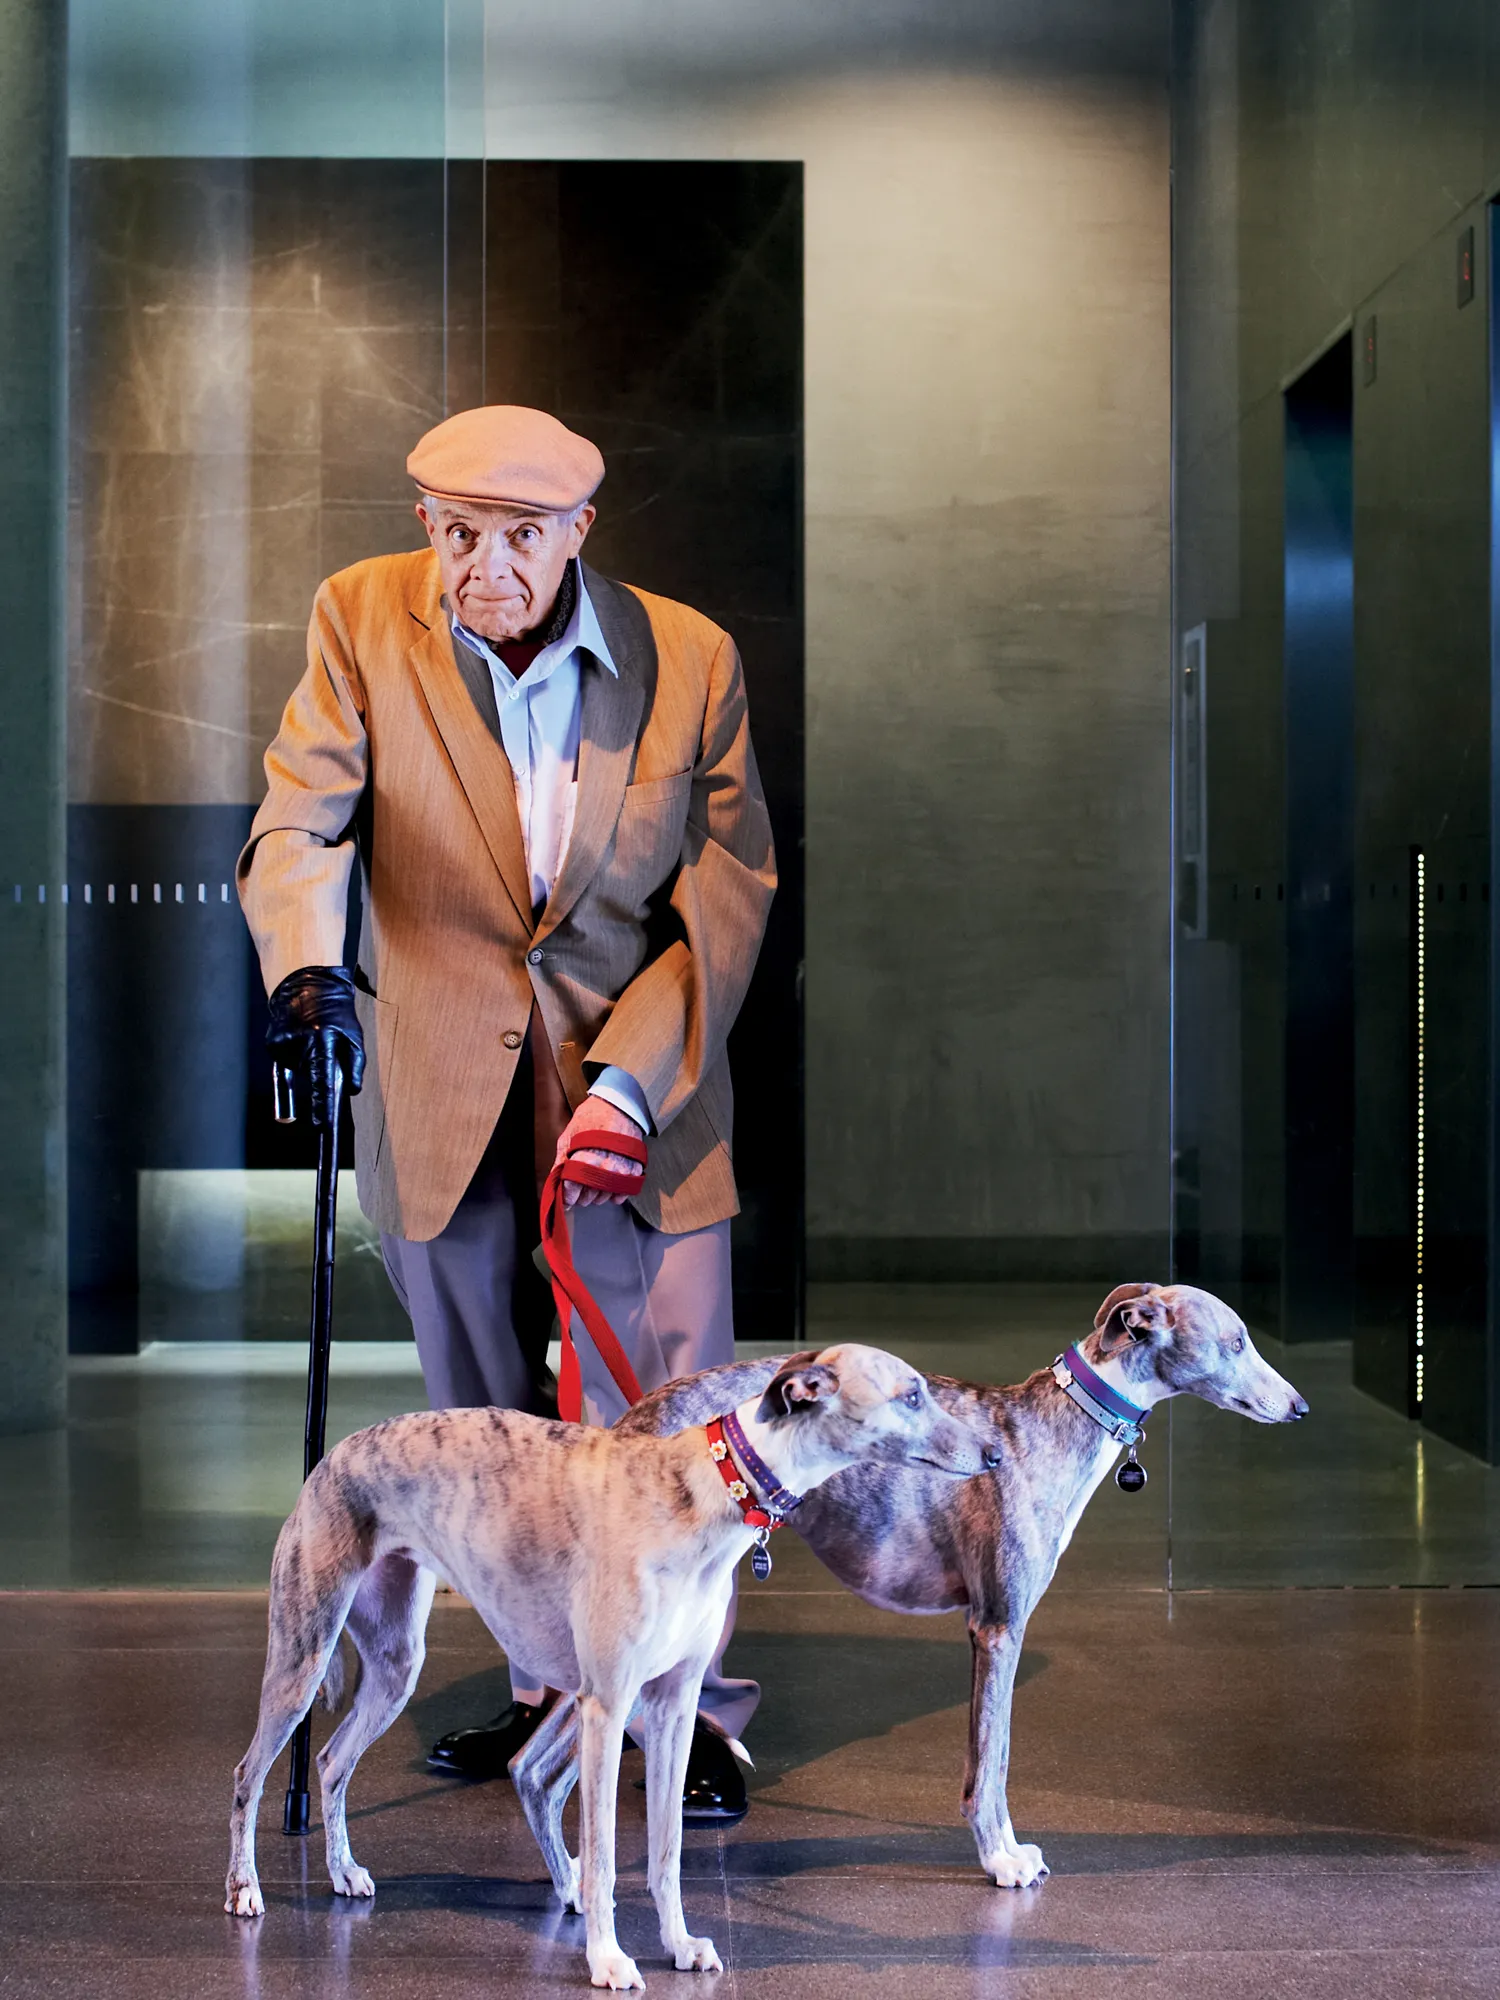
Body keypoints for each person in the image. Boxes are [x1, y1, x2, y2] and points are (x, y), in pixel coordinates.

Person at [237, 404, 776, 1821]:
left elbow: (723, 903)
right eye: (458, 532)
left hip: (641, 1076)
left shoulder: (690, 656)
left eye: (523, 536)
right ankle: (548, 1692)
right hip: (438, 1076)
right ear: (425, 521)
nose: (487, 566)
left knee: (665, 1419)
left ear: (580, 532)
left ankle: (686, 1715)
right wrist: (306, 971)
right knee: (482, 1424)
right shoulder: (362, 618)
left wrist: (629, 1086)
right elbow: (302, 814)